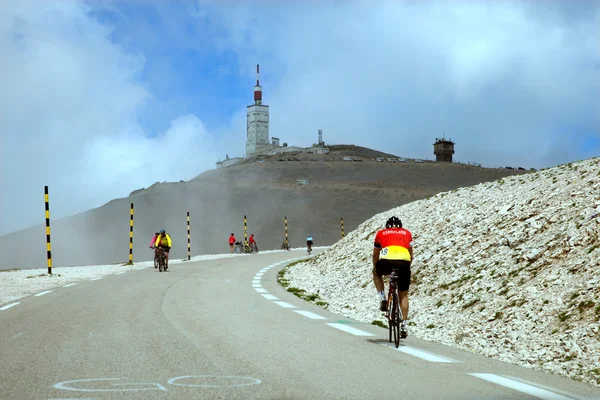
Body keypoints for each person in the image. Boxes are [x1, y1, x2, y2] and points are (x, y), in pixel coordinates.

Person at [372, 216, 413, 337]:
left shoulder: (381, 233)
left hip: (387, 261)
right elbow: (411, 255)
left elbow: (375, 255)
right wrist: (407, 268)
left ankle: (382, 297)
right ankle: (404, 325)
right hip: (404, 263)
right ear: (400, 226)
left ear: (387, 226)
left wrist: (376, 267)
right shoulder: (407, 233)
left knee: (376, 273)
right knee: (403, 295)